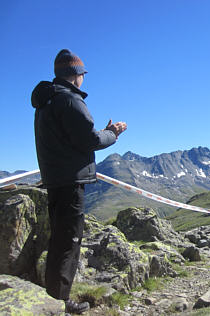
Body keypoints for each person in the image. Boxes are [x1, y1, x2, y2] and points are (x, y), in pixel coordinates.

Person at [31, 49, 127, 314]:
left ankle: (54, 297)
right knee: (69, 242)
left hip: (55, 179)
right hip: (70, 181)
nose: (83, 79)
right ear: (75, 76)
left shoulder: (47, 101)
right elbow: (91, 140)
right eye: (82, 74)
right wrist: (113, 133)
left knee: (59, 240)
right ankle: (60, 303)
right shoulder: (70, 100)